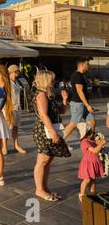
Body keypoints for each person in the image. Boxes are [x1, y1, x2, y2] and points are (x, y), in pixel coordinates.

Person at [32, 70, 70, 202]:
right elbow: (43, 116)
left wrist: (65, 100)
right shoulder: (41, 95)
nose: (54, 82)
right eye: (52, 80)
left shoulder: (49, 95)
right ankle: (39, 189)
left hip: (50, 128)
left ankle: (44, 187)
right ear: (46, 81)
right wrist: (53, 132)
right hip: (45, 131)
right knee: (42, 160)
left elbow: (61, 111)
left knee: (48, 160)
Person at [63, 58, 96, 141]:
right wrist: (88, 105)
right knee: (73, 124)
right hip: (78, 104)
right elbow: (79, 92)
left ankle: (90, 140)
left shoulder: (80, 75)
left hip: (82, 104)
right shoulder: (77, 76)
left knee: (92, 122)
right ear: (81, 65)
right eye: (87, 64)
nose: (89, 66)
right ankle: (59, 142)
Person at [77, 123, 106, 202]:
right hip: (88, 163)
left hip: (94, 162)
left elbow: (98, 148)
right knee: (87, 179)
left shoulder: (91, 141)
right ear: (86, 134)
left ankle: (93, 194)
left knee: (93, 179)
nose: (93, 134)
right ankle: (81, 194)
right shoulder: (84, 142)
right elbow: (95, 150)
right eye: (91, 133)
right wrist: (101, 144)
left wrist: (100, 143)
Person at [3, 65, 26, 155]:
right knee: (7, 128)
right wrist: (6, 107)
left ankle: (16, 145)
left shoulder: (16, 82)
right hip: (10, 108)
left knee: (16, 127)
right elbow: (5, 96)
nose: (18, 73)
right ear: (13, 72)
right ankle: (4, 146)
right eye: (17, 71)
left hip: (17, 108)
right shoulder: (7, 82)